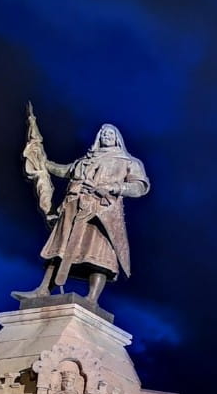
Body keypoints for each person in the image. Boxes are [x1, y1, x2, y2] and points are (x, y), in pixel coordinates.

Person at [13, 123, 149, 306]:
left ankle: (92, 300)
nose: (107, 136)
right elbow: (63, 170)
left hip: (101, 213)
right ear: (99, 137)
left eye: (111, 133)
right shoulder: (86, 160)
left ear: (117, 138)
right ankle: (42, 290)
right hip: (72, 209)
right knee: (59, 249)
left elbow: (140, 187)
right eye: (104, 133)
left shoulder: (128, 161)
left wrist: (115, 187)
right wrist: (42, 161)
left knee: (98, 253)